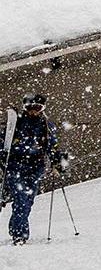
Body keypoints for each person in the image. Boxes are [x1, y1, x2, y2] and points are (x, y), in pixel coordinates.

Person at [4, 93, 68, 245]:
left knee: (28, 201)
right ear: (25, 108)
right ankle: (20, 235)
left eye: (37, 108)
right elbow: (3, 142)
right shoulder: (16, 124)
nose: (34, 111)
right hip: (16, 166)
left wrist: (58, 162)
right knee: (20, 199)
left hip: (35, 168)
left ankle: (15, 229)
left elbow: (52, 147)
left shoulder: (46, 125)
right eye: (30, 108)